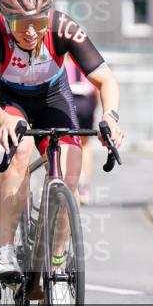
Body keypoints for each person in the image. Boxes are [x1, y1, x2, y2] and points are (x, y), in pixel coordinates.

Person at [0, 0, 124, 288]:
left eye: (38, 23)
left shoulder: (63, 27)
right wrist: (3, 121)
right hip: (8, 101)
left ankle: (56, 264)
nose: (30, 32)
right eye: (20, 25)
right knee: (21, 150)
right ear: (5, 21)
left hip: (53, 96)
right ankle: (5, 250)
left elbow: (105, 79)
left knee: (70, 175)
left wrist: (110, 116)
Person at [67, 57, 97, 204]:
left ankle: (69, 184)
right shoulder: (88, 62)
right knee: (85, 145)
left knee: (68, 142)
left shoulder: (62, 61)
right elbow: (96, 89)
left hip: (69, 100)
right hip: (86, 101)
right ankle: (84, 188)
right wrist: (93, 109)